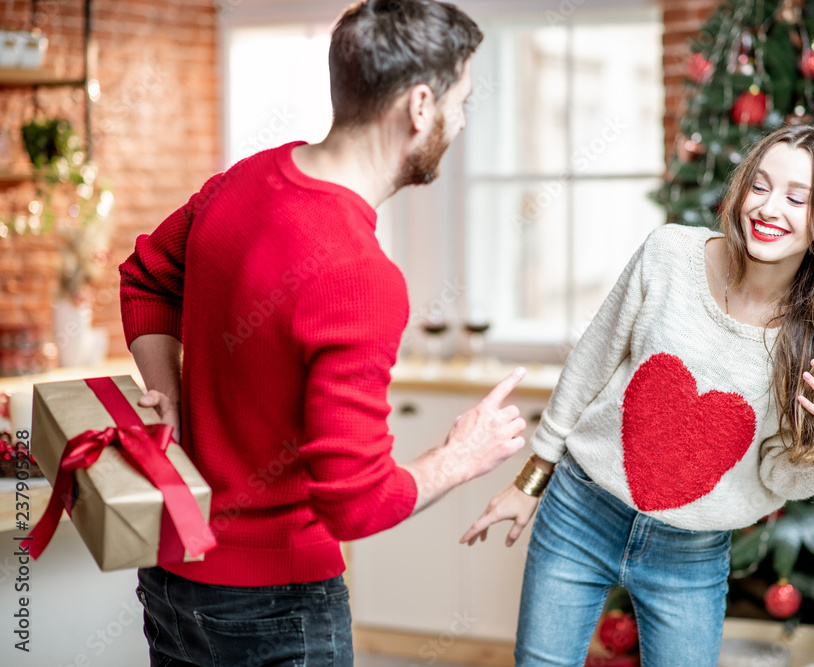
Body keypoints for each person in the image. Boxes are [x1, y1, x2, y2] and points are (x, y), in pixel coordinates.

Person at [119, 2, 527, 665]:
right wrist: (462, 455)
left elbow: (144, 279)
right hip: (274, 606)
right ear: (421, 105)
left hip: (172, 576)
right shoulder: (360, 277)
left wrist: (165, 389)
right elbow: (356, 504)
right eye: (462, 102)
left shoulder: (241, 182)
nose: (459, 122)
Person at [461, 124, 814, 666]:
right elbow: (590, 363)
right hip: (581, 512)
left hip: (692, 557)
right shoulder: (669, 254)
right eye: (760, 186)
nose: (769, 208)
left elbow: (776, 472)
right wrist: (530, 480)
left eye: (798, 198)